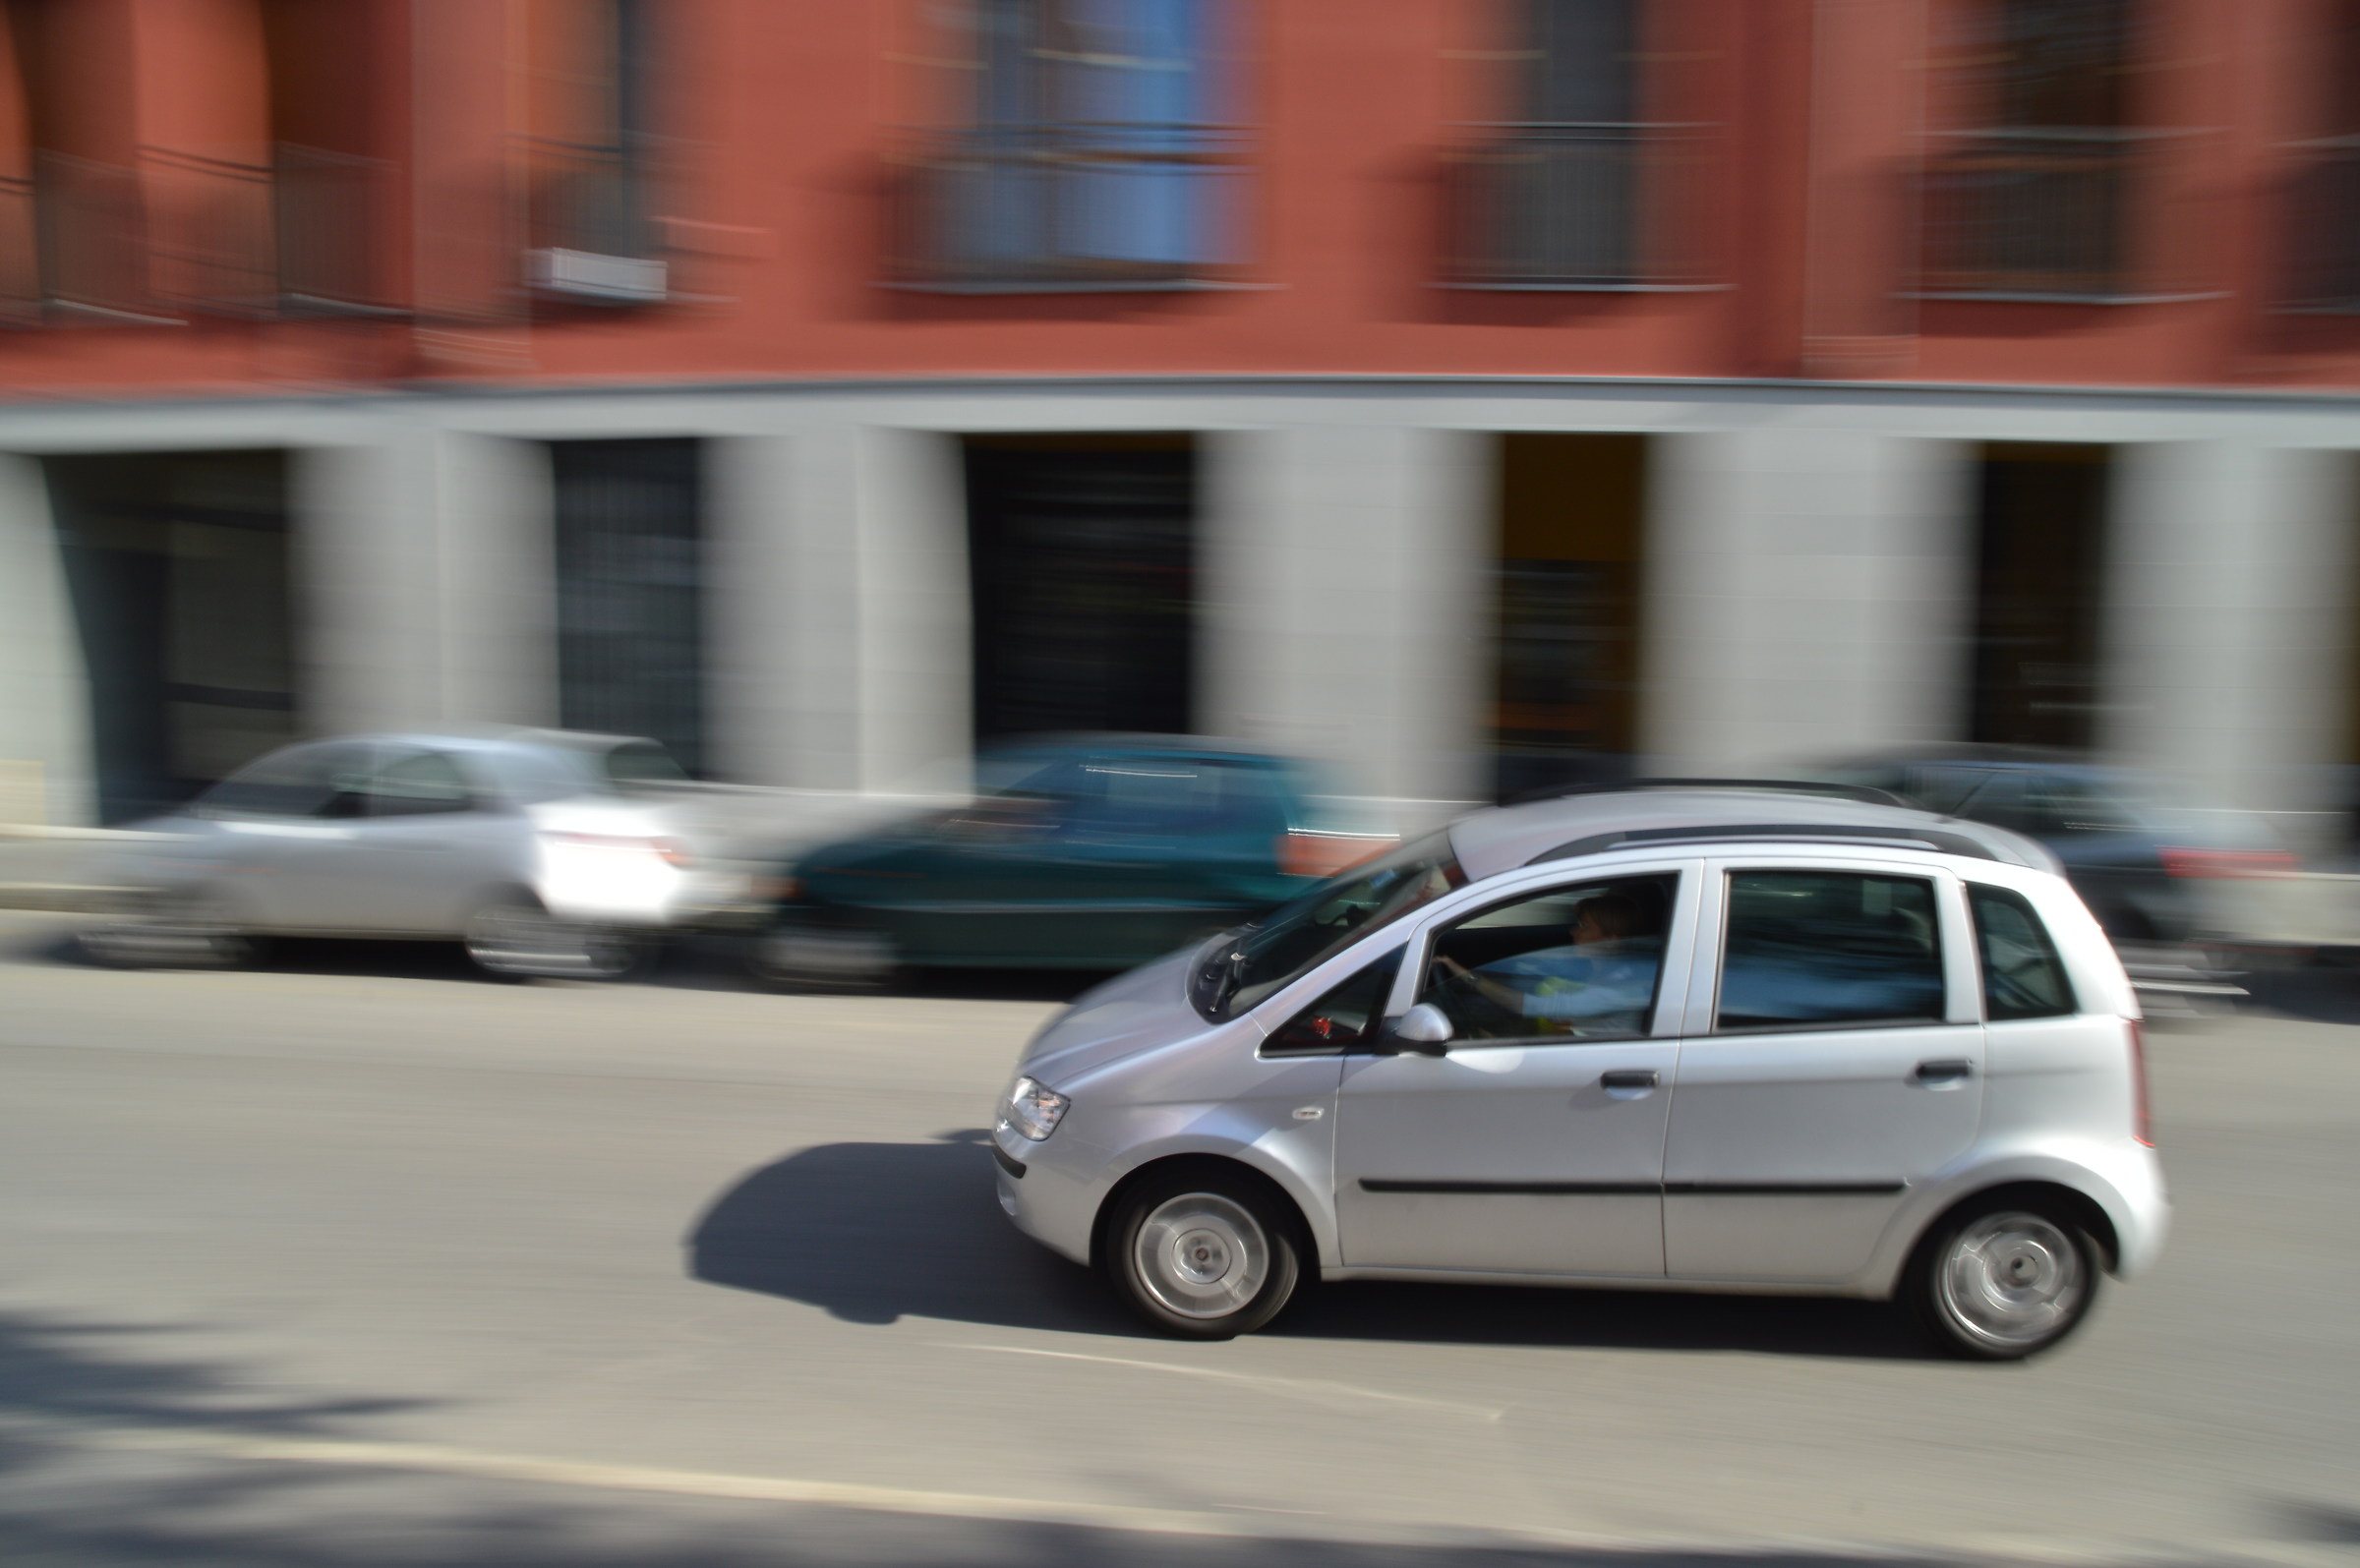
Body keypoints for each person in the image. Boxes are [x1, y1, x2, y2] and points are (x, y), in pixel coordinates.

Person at [1434, 891, 1658, 1034]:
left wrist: (1466, 976)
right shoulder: (1614, 972)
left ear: (1611, 940)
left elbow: (1525, 1004)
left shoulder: (1620, 988)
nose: (1574, 931)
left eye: (1585, 926)